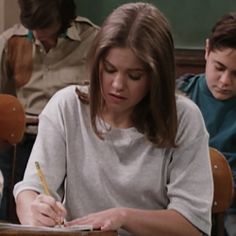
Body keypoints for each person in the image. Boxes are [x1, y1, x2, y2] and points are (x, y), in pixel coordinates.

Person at [14, 2, 213, 236]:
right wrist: (33, 210)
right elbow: (30, 190)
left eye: (134, 75)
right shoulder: (67, 107)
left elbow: (192, 224)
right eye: (109, 69)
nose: (117, 85)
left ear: (156, 77)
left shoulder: (184, 118)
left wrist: (123, 217)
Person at [0, 0, 99, 221]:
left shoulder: (93, 40)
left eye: (44, 26)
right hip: (24, 139)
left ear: (64, 18)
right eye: (32, 27)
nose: (37, 34)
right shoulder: (11, 42)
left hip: (75, 140)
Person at [176, 12, 236, 236]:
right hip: (178, 206)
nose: (225, 81)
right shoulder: (179, 95)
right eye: (219, 67)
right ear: (207, 50)